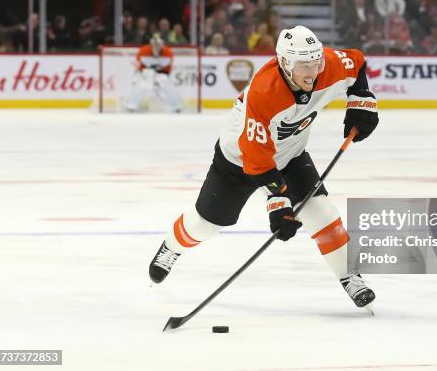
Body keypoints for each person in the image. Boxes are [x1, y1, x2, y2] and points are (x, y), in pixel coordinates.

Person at [148, 25, 379, 309]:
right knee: (205, 225)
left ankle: (349, 275)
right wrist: (278, 203)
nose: (313, 70)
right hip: (238, 161)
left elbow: (356, 62)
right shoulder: (265, 93)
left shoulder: (326, 64)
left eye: (315, 60)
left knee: (322, 212)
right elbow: (257, 160)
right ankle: (172, 247)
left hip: (291, 155)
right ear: (284, 63)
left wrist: (362, 100)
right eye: (304, 64)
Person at [123, 35, 184, 113]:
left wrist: (160, 77)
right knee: (140, 85)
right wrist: (144, 75)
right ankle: (131, 105)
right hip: (146, 74)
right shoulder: (143, 51)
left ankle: (177, 105)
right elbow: (138, 67)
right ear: (151, 45)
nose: (156, 47)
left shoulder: (168, 52)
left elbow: (168, 69)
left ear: (162, 45)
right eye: (154, 45)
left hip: (161, 74)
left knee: (167, 84)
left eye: (158, 45)